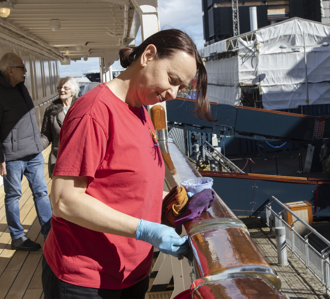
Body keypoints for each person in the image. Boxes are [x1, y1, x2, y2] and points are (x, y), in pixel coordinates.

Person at [42, 29, 214, 299]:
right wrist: (145, 230)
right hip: (87, 280)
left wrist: (172, 203)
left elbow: (124, 186)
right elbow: (64, 200)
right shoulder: (94, 111)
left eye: (181, 87)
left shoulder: (140, 110)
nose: (173, 93)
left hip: (130, 272)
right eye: (172, 80)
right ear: (148, 55)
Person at [0, 53, 52, 251]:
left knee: (41, 192)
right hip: (12, 157)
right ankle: (17, 237)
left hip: (33, 153)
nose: (25, 71)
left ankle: (50, 234)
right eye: (21, 67)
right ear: (10, 70)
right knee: (13, 196)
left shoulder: (21, 86)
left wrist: (38, 145)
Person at [41, 77, 79, 178]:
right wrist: (34, 147)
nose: (62, 90)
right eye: (59, 87)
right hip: (58, 158)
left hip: (78, 157)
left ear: (74, 91)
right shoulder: (51, 111)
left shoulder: (82, 108)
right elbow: (45, 135)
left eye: (66, 88)